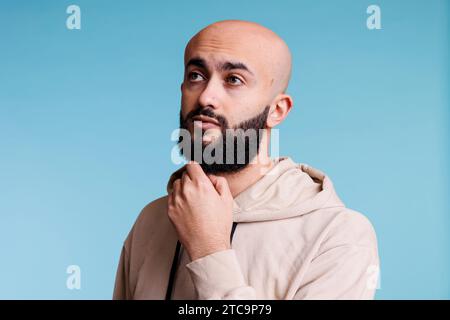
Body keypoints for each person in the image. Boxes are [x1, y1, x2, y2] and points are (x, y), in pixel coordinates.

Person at [113, 20, 379, 300]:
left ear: (277, 110)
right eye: (196, 75)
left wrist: (209, 250)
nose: (206, 96)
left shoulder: (338, 235)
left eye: (234, 79)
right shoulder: (152, 220)